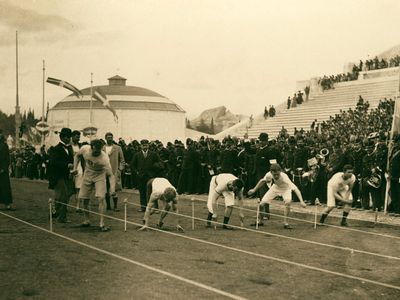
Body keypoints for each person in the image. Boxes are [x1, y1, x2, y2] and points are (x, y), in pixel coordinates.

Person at [248, 163, 307, 229]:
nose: (276, 176)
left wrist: (301, 201)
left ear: (280, 171)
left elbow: (296, 189)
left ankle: (285, 223)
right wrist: (254, 190)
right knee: (261, 204)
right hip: (275, 187)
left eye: (277, 174)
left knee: (287, 202)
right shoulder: (268, 174)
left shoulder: (285, 177)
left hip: (286, 189)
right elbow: (262, 181)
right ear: (271, 172)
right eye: (274, 174)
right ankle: (260, 221)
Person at [74, 139, 115, 232]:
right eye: (95, 151)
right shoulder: (85, 149)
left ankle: (102, 223)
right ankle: (86, 220)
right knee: (84, 199)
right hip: (88, 174)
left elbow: (111, 175)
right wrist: (74, 168)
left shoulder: (104, 158)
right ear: (91, 148)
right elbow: (77, 156)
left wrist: (112, 189)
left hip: (99, 175)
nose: (97, 153)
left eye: (99, 151)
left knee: (101, 198)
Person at [48, 128, 74, 223]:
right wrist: (66, 165)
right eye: (68, 137)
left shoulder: (69, 148)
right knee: (63, 196)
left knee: (67, 194)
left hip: (67, 175)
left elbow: (71, 161)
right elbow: (53, 162)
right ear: (62, 137)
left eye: (70, 137)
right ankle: (62, 217)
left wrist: (71, 170)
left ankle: (55, 211)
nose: (69, 139)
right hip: (58, 176)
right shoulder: (56, 149)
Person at [131, 139, 161, 211]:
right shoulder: (137, 155)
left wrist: (154, 171)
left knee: (153, 192)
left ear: (148, 145)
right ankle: (143, 207)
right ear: (141, 146)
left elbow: (159, 163)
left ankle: (155, 208)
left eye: (146, 145)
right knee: (142, 192)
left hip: (150, 177)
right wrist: (137, 172)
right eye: (143, 145)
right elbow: (132, 165)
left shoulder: (153, 154)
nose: (145, 146)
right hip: (141, 177)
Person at [104, 132, 125, 211]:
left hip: (114, 171)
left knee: (114, 189)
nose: (110, 139)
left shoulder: (117, 148)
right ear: (105, 138)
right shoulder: (102, 148)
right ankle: (108, 206)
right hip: (104, 171)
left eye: (111, 137)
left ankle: (115, 206)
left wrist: (120, 169)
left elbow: (122, 160)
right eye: (108, 137)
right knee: (105, 189)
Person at [0, 130, 14, 210]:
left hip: (2, 170)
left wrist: (3, 168)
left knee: (5, 187)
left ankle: (7, 204)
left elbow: (7, 158)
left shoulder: (4, 145)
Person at [70, 130, 83, 212]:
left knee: (79, 188)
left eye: (79, 137)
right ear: (72, 137)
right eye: (76, 136)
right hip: (70, 168)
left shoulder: (80, 146)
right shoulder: (68, 146)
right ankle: (65, 205)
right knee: (68, 188)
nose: (78, 138)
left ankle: (77, 206)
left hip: (79, 168)